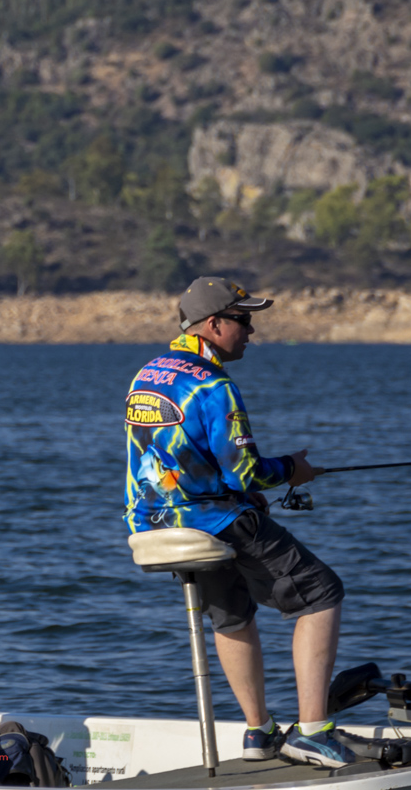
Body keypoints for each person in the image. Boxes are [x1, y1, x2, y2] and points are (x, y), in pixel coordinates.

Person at [123, 277, 353, 768]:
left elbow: (179, 457)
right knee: (321, 593)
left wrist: (244, 491)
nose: (252, 331)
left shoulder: (148, 373)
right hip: (213, 519)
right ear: (214, 324)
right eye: (244, 320)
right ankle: (312, 731)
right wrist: (293, 468)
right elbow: (244, 470)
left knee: (232, 614)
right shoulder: (214, 384)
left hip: (154, 523)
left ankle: (259, 732)